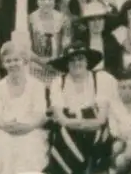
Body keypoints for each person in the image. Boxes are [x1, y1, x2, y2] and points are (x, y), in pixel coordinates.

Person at [47, 42, 118, 174]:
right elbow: (62, 118)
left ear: (87, 62)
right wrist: (77, 124)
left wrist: (83, 124)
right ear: (67, 64)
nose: (76, 63)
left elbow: (101, 118)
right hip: (68, 127)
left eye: (80, 59)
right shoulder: (58, 82)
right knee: (65, 136)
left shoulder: (100, 78)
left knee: (99, 136)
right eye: (72, 60)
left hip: (95, 125)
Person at [0, 42, 50, 174]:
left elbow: (40, 113)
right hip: (6, 129)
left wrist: (27, 127)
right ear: (3, 64)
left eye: (16, 60)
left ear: (25, 61)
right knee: (3, 141)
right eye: (8, 61)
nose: (13, 64)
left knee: (27, 145)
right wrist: (4, 125)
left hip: (30, 129)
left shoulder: (36, 85)